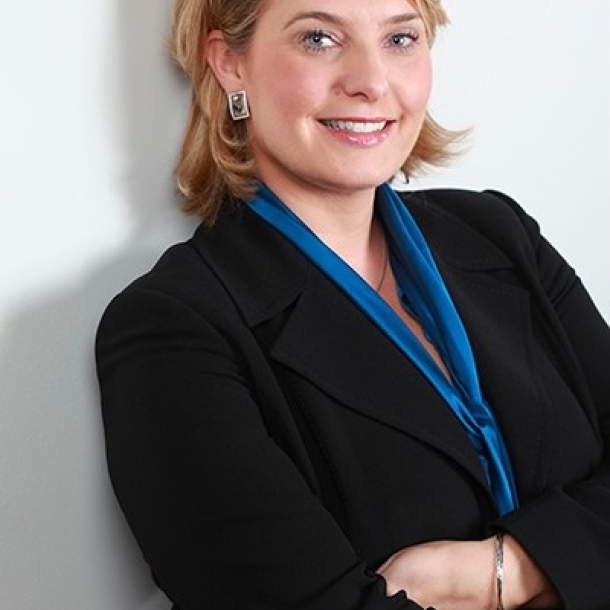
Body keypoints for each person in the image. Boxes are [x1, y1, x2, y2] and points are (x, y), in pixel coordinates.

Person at [95, 0, 610, 608]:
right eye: (318, 38)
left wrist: (501, 574)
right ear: (229, 63)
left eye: (400, 39)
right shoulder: (173, 330)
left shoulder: (500, 233)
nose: (370, 81)